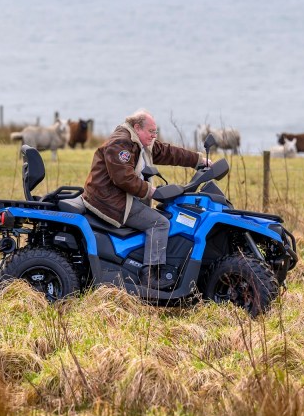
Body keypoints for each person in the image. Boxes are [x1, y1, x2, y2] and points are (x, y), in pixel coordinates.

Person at [82, 109, 209, 289]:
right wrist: (151, 191)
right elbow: (122, 178)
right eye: (151, 132)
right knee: (159, 223)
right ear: (137, 128)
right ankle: (150, 275)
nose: (154, 136)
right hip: (110, 201)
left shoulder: (139, 142)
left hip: (118, 197)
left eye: (156, 131)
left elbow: (167, 152)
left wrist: (199, 160)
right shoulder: (121, 143)